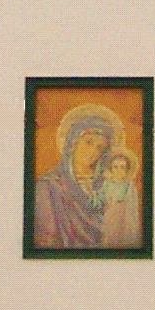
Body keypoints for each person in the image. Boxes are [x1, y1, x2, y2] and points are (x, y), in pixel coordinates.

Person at [32, 106, 123, 249]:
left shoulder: (109, 184)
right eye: (88, 142)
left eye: (100, 147)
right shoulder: (48, 186)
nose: (93, 151)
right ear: (73, 143)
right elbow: (45, 237)